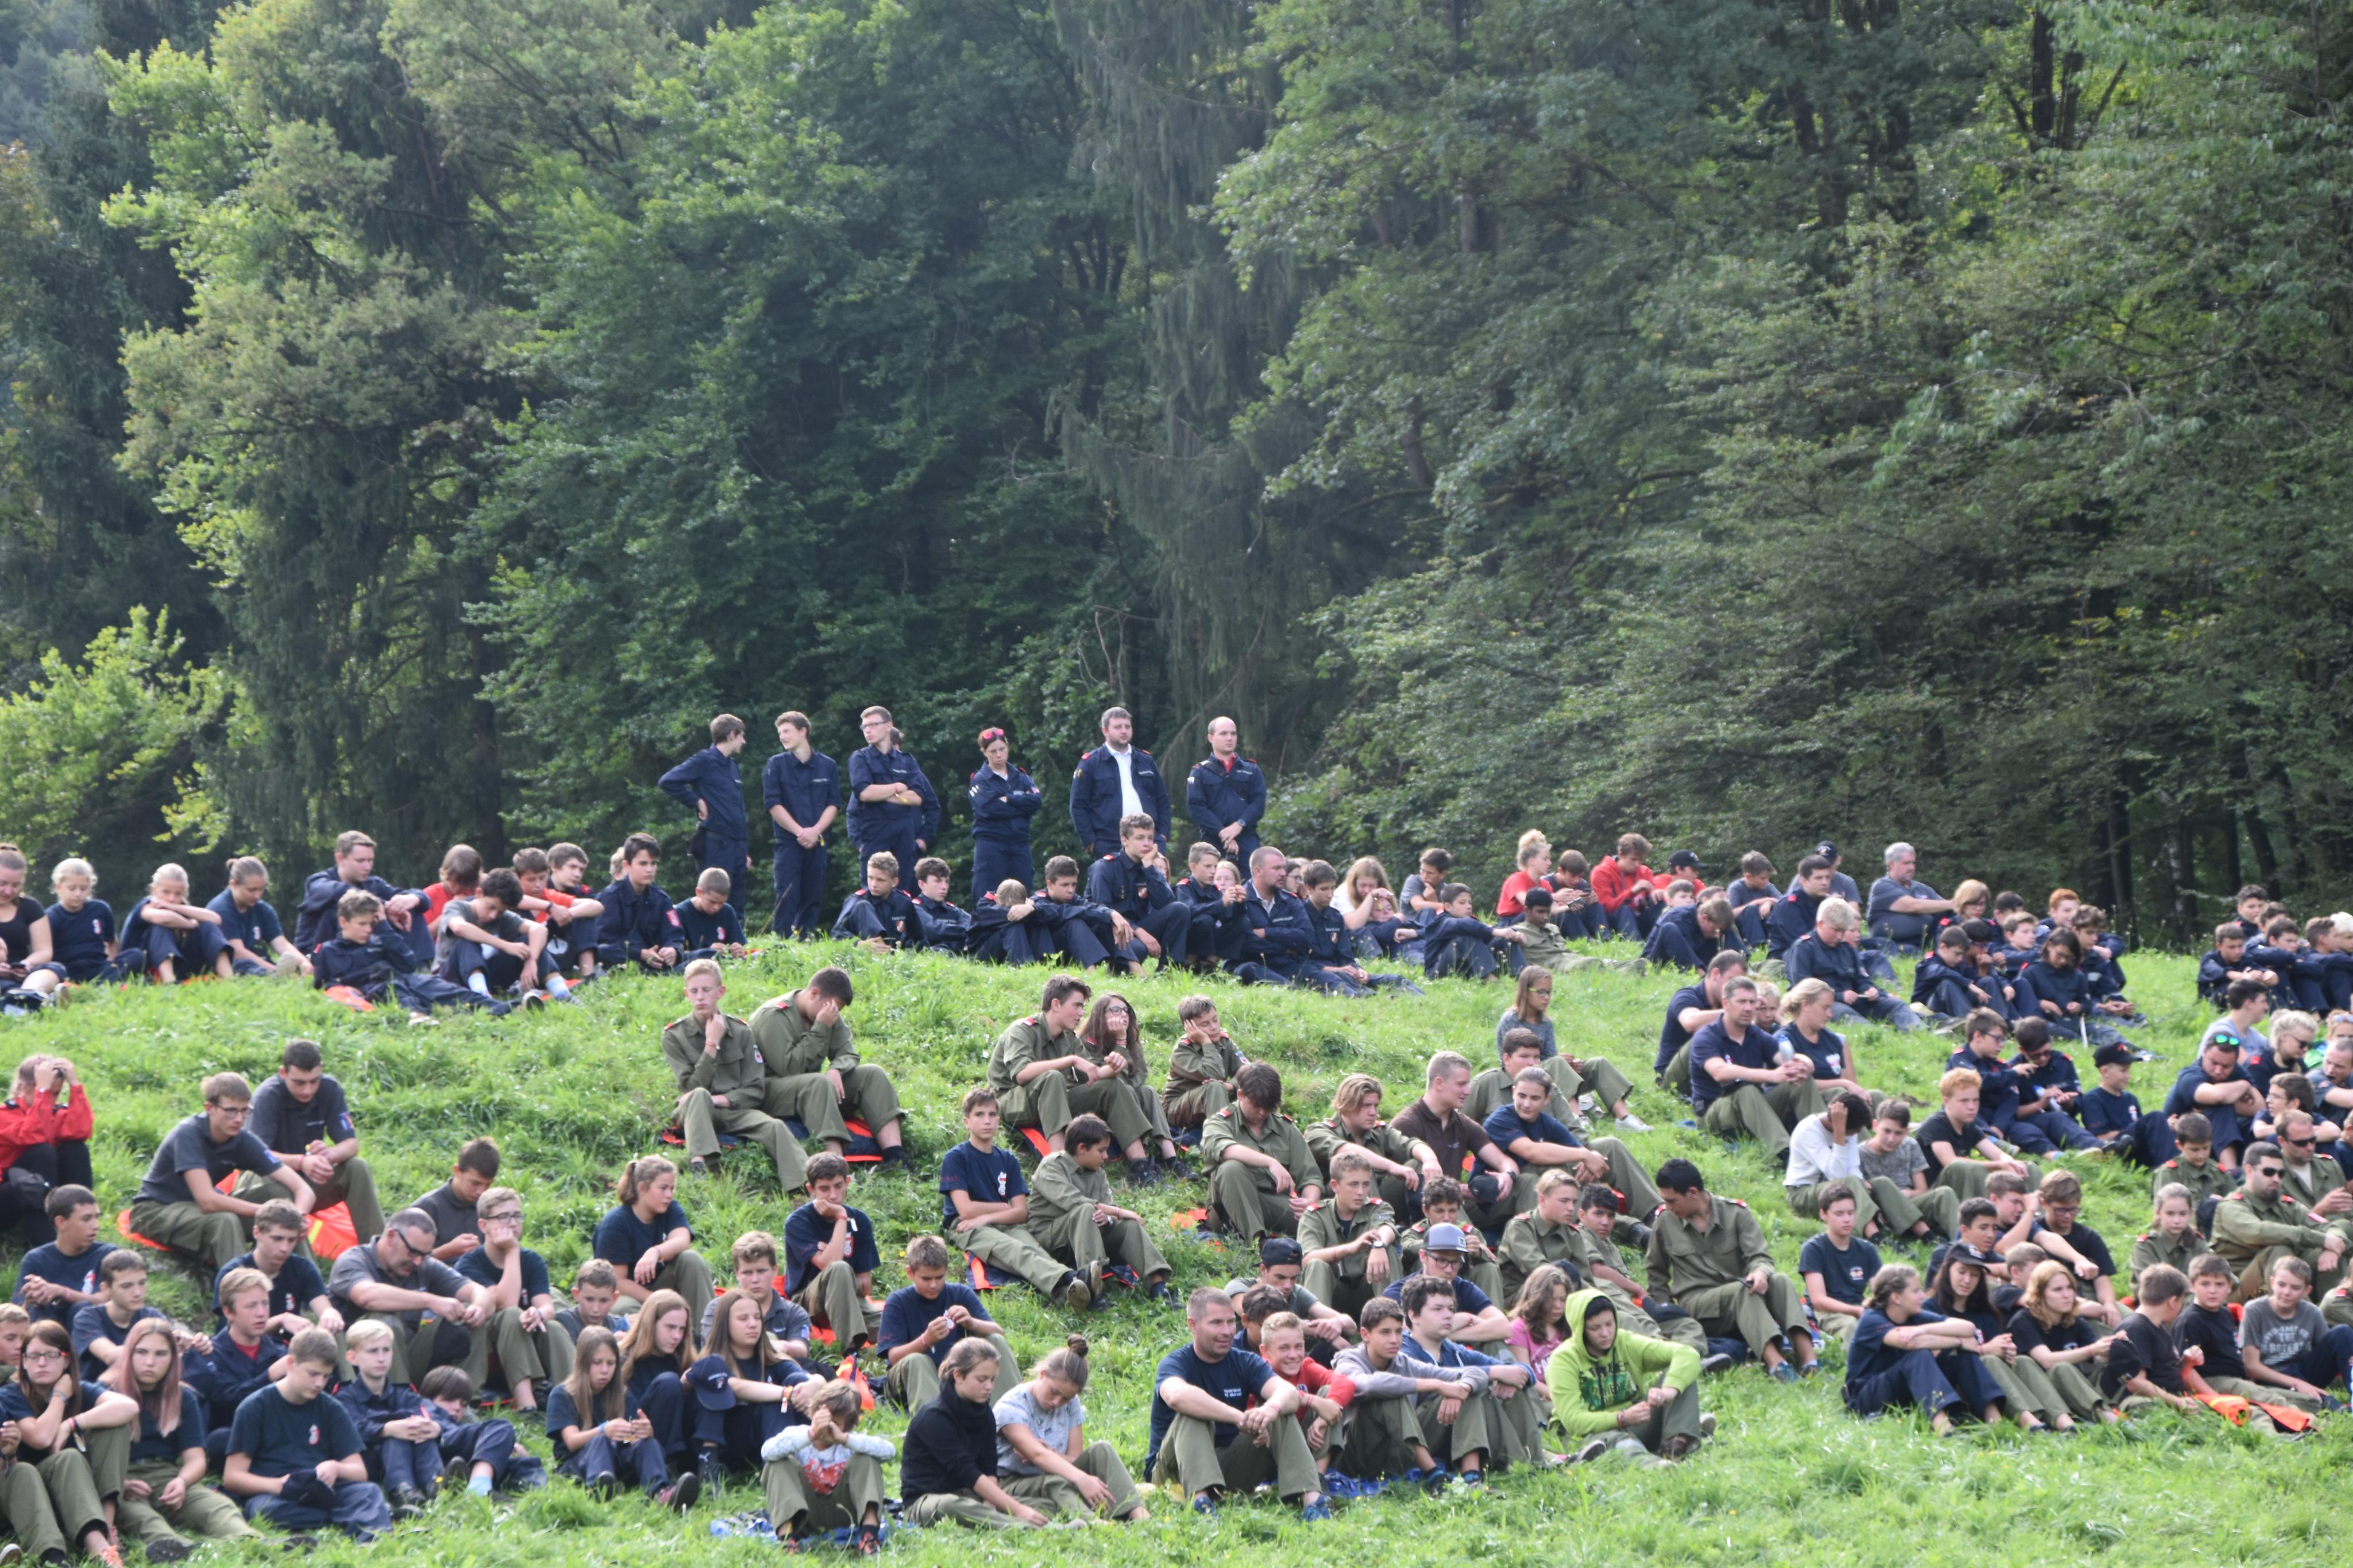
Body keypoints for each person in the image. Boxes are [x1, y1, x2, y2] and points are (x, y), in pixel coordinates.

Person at [1144, 1289, 1327, 1517]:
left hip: (1227, 1465)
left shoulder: (1244, 1361)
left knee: (1280, 1410)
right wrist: (1240, 1419)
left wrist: (1269, 1412)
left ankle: (1313, 1502)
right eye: (1216, 1323)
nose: (1227, 1331)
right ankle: (1202, 1506)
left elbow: (1288, 1393)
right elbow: (1177, 1396)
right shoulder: (1176, 1362)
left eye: (1231, 1322)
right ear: (1193, 1325)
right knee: (1193, 1412)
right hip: (1174, 1471)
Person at [129, 1072, 315, 1276]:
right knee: (225, 1220)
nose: (239, 1119)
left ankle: (310, 1283)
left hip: (197, 1211)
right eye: (231, 1111)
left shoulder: (243, 1140)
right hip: (156, 1211)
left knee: (279, 1194)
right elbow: (207, 1201)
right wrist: (266, 1212)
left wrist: (298, 1217)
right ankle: (244, 1289)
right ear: (210, 1108)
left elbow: (302, 1188)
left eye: (245, 1111)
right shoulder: (188, 1134)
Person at [1646, 1160, 1820, 1380]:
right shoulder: (1665, 1221)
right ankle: (1777, 1365)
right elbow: (1656, 1271)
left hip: (1743, 1300)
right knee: (1742, 1291)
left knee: (1781, 1281)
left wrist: (1760, 1273)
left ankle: (1809, 1361)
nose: (1669, 1206)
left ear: (1693, 1193)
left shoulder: (1736, 1214)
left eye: (1672, 1201)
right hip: (1699, 1305)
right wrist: (1668, 1315)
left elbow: (1759, 1257)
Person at [221, 1328, 393, 1539]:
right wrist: (279, 1485)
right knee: (263, 1510)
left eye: (326, 1376)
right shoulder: (254, 1407)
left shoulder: (332, 1408)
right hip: (276, 1493)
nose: (319, 1383)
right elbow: (233, 1478)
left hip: (324, 1490)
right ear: (290, 1364)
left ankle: (369, 1536)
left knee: (369, 1492)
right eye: (313, 1374)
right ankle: (354, 1516)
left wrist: (336, 1468)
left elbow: (359, 1472)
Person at [109, 1319, 260, 1559]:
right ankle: (177, 1548)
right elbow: (93, 1459)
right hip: (123, 1480)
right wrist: (121, 1483)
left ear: (173, 1358)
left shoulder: (183, 1397)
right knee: (142, 1518)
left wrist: (182, 1482)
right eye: (142, 1352)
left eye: (161, 1354)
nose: (150, 1362)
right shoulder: (107, 1394)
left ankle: (254, 1541)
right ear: (129, 1355)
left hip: (167, 1476)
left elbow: (196, 1459)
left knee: (218, 1506)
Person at [988, 974, 1157, 1179]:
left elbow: (1094, 1074)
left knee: (1112, 1086)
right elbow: (1022, 1074)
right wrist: (1071, 1060)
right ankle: (1062, 1167)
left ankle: (1141, 1167)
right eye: (1076, 1006)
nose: (1081, 1013)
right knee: (1053, 1077)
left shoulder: (1069, 1037)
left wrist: (1114, 1067)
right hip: (1012, 1102)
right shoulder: (1022, 1030)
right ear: (1056, 1005)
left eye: (1082, 1007)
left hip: (1052, 1099)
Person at [940, 1087, 1093, 1308]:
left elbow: (1021, 1212)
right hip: (966, 1226)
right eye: (979, 1115)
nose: (987, 1121)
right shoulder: (956, 1158)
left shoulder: (1008, 1159)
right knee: (1014, 1250)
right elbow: (965, 1210)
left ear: (998, 1120)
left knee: (1035, 1250)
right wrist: (1002, 1208)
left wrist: (988, 1216)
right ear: (967, 1122)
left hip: (1003, 1223)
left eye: (992, 1115)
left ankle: (1073, 1295)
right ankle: (1073, 1278)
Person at [662, 960, 808, 1189]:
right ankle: (703, 1165)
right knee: (699, 1095)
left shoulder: (741, 1032)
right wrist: (711, 1045)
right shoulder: (675, 1036)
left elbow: (755, 1089)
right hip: (694, 1112)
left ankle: (804, 1186)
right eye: (694, 991)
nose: (700, 997)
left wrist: (718, 1100)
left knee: (775, 1126)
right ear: (686, 994)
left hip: (734, 1110)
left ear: (720, 992)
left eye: (706, 990)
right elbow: (690, 1088)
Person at [0, 1320, 137, 1565]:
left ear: (66, 1360)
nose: (42, 1363)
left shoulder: (80, 1389)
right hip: (29, 1493)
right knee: (37, 1467)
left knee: (112, 1428)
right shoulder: (12, 1395)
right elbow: (41, 1438)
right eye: (34, 1356)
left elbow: (128, 1407)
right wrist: (59, 1396)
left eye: (51, 1355)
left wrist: (71, 1424)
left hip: (76, 1491)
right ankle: (55, 1558)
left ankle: (102, 1542)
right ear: (23, 1362)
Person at [748, 965, 910, 1171]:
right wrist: (821, 1028)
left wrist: (836, 1069)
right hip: (771, 1092)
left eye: (838, 1010)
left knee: (872, 1074)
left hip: (812, 1090)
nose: (835, 1014)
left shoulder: (826, 1011)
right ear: (814, 994)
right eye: (833, 1008)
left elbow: (848, 1053)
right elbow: (789, 1068)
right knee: (819, 1082)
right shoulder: (773, 1016)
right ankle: (836, 1166)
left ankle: (895, 1155)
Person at [1329, 1293, 1495, 1482]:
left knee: (1466, 1391)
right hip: (1361, 1455)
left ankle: (1471, 1478)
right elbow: (1366, 1385)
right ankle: (1434, 1477)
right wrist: (1435, 1385)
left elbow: (1476, 1373)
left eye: (1399, 1332)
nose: (1394, 1340)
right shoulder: (1348, 1360)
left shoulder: (1404, 1362)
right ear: (1366, 1335)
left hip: (1401, 1452)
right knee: (1391, 1394)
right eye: (1385, 1332)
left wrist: (1461, 1389)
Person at [242, 1039, 386, 1246]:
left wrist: (328, 1155)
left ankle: (379, 1250)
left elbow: (351, 1144)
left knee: (357, 1167)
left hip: (309, 1183)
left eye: (314, 1081)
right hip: (270, 1183)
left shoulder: (330, 1089)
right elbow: (255, 1155)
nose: (308, 1091)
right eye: (299, 1083)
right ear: (283, 1073)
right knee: (279, 1192)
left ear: (321, 1071)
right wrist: (302, 1162)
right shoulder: (268, 1096)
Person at [1546, 1288, 1711, 1465]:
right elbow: (1574, 1422)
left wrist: (1668, 1392)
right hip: (1586, 1436)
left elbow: (1687, 1354)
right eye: (1595, 1328)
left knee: (1681, 1377)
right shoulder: (1563, 1359)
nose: (1605, 1333)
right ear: (1580, 1329)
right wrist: (1622, 1418)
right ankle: (1654, 1465)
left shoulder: (1624, 1341)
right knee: (1618, 1440)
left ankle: (1675, 1449)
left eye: (1610, 1324)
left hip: (1633, 1422)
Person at [327, 1209, 489, 1388]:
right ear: (391, 1237)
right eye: (413, 1252)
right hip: (355, 1364)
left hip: (406, 1356)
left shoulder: (424, 1266)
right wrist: (431, 1301)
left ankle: (465, 1397)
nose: (418, 1262)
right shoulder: (352, 1260)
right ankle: (398, 1397)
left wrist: (478, 1307)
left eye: (425, 1255)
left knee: (467, 1314)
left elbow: (478, 1291)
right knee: (384, 1322)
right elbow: (366, 1296)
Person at [992, 1338, 1148, 1523]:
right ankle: (1096, 1523)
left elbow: (1075, 1459)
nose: (1057, 1402)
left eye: (1066, 1398)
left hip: (1059, 1475)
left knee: (1102, 1449)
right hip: (1013, 1482)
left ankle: (1141, 1516)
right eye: (1054, 1392)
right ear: (1042, 1375)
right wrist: (1082, 1479)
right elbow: (1036, 1455)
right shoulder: (1012, 1406)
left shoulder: (1072, 1403)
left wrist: (1053, 1454)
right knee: (1055, 1483)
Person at [1029, 1114, 1176, 1306]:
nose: (1106, 1157)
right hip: (1050, 1240)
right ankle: (1092, 1288)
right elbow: (1073, 1202)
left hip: (1088, 1238)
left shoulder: (1098, 1173)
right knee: (1085, 1210)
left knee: (1129, 1226)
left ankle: (1158, 1287)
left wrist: (1108, 1219)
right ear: (1082, 1148)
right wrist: (1118, 1212)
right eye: (1101, 1150)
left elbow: (1109, 1211)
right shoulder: (1052, 1166)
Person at [1841, 1265, 2006, 1432]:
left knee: (1962, 1356)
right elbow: (1910, 1343)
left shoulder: (1915, 1316)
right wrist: (1959, 1342)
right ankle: (1945, 1430)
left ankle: (1997, 1424)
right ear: (1896, 1297)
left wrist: (1922, 1329)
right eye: (1916, 1291)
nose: (1922, 1296)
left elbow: (1968, 1328)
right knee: (1920, 1355)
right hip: (1866, 1398)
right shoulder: (1871, 1319)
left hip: (1904, 1390)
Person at [450, 1186, 570, 1411]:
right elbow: (506, 1303)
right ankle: (527, 1406)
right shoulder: (469, 1264)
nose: (513, 1224)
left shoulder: (532, 1261)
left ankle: (575, 1396)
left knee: (552, 1326)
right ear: (483, 1226)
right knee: (512, 1314)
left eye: (517, 1216)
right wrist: (512, 1252)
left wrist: (538, 1314)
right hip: (488, 1352)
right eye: (504, 1217)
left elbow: (547, 1307)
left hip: (526, 1348)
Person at [900, 1339, 1040, 1528]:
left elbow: (989, 1466)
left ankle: (1007, 1517)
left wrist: (991, 1502)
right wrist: (1018, 1510)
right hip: (927, 1500)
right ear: (958, 1376)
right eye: (982, 1380)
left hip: (969, 1493)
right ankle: (1025, 1526)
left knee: (1039, 1503)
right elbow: (966, 1471)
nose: (989, 1387)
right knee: (951, 1505)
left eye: (992, 1380)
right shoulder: (934, 1417)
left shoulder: (985, 1413)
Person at [1688, 978, 1824, 1163]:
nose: (1748, 1008)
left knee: (1800, 1081)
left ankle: (1821, 1145)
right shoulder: (1706, 1036)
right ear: (1726, 1003)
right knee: (1745, 1089)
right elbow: (1720, 1072)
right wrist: (1771, 1075)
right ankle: (1786, 1154)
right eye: (1742, 1002)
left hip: (1754, 1111)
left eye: (1752, 1002)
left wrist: (1804, 1065)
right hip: (1715, 1115)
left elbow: (1785, 1058)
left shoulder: (1757, 1035)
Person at [684, 1288, 808, 1489]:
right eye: (743, 1319)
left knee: (795, 1382)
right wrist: (787, 1393)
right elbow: (736, 1386)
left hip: (762, 1439)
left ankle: (787, 1464)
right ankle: (709, 1467)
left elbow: (810, 1380)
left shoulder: (773, 1359)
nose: (753, 1324)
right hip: (728, 1442)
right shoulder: (711, 1363)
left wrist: (814, 1384)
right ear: (725, 1324)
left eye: (757, 1318)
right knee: (719, 1385)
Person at [1496, 969, 1649, 1131]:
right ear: (1525, 991)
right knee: (1557, 1063)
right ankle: (1577, 1118)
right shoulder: (1511, 1020)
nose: (1547, 997)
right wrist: (1558, 1062)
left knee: (1598, 1064)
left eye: (1549, 992)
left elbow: (1550, 1057)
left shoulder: (1546, 1023)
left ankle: (1624, 1118)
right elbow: (1512, 1061)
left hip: (1547, 1075)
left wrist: (1569, 1065)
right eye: (1541, 992)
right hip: (1520, 1079)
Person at [879, 1234, 1018, 1411]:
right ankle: (934, 1420)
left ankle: (1010, 1412)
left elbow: (998, 1332)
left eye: (939, 1277)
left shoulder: (960, 1293)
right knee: (917, 1360)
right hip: (910, 1379)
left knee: (995, 1340)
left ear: (947, 1271)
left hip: (956, 1373)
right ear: (910, 1273)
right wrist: (926, 1340)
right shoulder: (898, 1302)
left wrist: (971, 1323)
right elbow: (894, 1357)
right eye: (926, 1279)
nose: (934, 1285)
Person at [1788, 1092, 1949, 1243]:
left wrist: (1863, 1183)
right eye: (1851, 1133)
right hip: (1803, 1194)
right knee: (1851, 1181)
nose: (1852, 1137)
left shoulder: (1848, 1127)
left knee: (1881, 1182)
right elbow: (1836, 1174)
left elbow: (1853, 1167)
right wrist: (1840, 1133)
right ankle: (1877, 1239)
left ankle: (1927, 1235)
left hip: (1835, 1187)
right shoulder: (1809, 1131)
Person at [757, 1376, 892, 1550]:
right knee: (778, 1463)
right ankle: (787, 1541)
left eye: (836, 1423)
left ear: (847, 1426)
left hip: (845, 1513)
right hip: (804, 1515)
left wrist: (845, 1439)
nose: (827, 1427)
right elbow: (767, 1452)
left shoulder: (851, 1442)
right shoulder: (797, 1435)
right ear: (814, 1413)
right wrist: (811, 1435)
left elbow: (890, 1452)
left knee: (866, 1459)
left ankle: (869, 1537)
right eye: (824, 1419)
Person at [546, 1325, 678, 1504]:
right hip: (577, 1464)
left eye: (611, 1363)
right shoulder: (563, 1394)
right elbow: (572, 1442)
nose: (605, 1370)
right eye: (597, 1363)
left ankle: (661, 1492)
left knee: (648, 1443)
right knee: (600, 1441)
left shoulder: (622, 1394)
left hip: (618, 1459)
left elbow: (629, 1440)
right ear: (583, 1362)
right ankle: (600, 1488)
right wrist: (603, 1430)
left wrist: (643, 1433)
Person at [334, 1318, 447, 1516]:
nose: (381, 1358)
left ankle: (435, 1482)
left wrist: (433, 1428)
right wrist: (387, 1429)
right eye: (373, 1351)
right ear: (352, 1358)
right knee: (396, 1435)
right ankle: (402, 1490)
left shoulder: (404, 1393)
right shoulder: (345, 1396)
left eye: (386, 1350)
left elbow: (427, 1414)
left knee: (419, 1431)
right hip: (369, 1461)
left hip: (412, 1454)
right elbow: (352, 1429)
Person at [1203, 1064, 1324, 1243]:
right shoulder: (1220, 1123)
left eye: (1269, 1107)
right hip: (1227, 1208)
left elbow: (1311, 1176)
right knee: (1231, 1168)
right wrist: (1271, 1162)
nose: (1262, 1113)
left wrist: (1309, 1202)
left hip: (1271, 1203)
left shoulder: (1285, 1129)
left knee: (1320, 1223)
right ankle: (1259, 1242)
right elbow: (1225, 1148)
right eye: (1257, 1106)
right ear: (1241, 1095)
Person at [592, 1157, 716, 1333]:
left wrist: (655, 1252)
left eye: (672, 1188)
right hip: (628, 1293)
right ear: (643, 1188)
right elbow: (617, 1282)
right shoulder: (615, 1224)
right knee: (623, 1308)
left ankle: (705, 1335)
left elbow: (683, 1240)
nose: (669, 1195)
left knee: (691, 1259)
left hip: (663, 1283)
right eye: (663, 1188)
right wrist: (658, 1300)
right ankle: (653, 1342)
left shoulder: (671, 1209)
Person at [2212, 1142, 2344, 1299]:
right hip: (2237, 1288)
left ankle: (2333, 1310)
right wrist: (2321, 1239)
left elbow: (2328, 1226)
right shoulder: (2231, 1206)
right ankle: (2302, 1313)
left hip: (2279, 1282)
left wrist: (2332, 1248)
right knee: (2279, 1250)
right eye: (2269, 1172)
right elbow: (2257, 1232)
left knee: (2331, 1253)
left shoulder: (2286, 1205)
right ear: (2249, 1171)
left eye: (2281, 1174)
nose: (2276, 1179)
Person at [1077, 992, 1189, 1176]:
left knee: (1147, 1091)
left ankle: (1170, 1157)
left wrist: (1123, 1042)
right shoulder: (1086, 1042)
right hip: (1097, 1106)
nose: (1123, 1015)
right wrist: (1120, 1043)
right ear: (1100, 1015)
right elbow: (1106, 1081)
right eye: (1115, 1010)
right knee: (1125, 1088)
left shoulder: (1131, 1041)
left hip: (1125, 1101)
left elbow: (1140, 1076)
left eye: (1126, 1010)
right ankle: (1140, 1164)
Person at [1305, 1073, 1436, 1223]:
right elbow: (1346, 1150)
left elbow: (1410, 1145)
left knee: (1418, 1164)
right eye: (1366, 1106)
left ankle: (1431, 1227)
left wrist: (1431, 1160)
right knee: (1360, 1167)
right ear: (1347, 1104)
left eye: (1376, 1106)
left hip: (1377, 1205)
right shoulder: (1318, 1132)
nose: (1373, 1112)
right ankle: (1378, 1227)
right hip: (1336, 1210)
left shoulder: (1379, 1131)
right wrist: (1391, 1166)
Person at [658, 714, 753, 920]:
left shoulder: (733, 766)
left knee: (737, 898)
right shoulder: (704, 760)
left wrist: (743, 849)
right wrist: (696, 801)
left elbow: (737, 808)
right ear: (732, 735)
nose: (744, 742)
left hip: (737, 843)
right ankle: (707, 937)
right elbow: (668, 781)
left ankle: (736, 937)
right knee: (714, 894)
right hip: (716, 841)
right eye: (741, 736)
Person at [782, 1154, 881, 1349]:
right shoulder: (798, 1222)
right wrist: (841, 1217)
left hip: (850, 1300)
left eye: (838, 1186)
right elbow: (831, 1265)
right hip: (808, 1301)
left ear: (848, 1182)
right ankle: (851, 1348)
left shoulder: (860, 1221)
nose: (833, 1196)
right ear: (811, 1189)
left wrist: (842, 1285)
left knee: (895, 1326)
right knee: (839, 1269)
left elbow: (866, 1286)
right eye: (825, 1189)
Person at [0, 1057, 96, 1253]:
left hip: (37, 1190)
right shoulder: (4, 1116)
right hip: (7, 1198)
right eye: (47, 1094)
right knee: (42, 1152)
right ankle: (49, 1247)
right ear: (25, 1088)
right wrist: (42, 1091)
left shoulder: (53, 1113)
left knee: (75, 1149)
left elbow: (81, 1131)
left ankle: (81, 1222)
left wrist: (75, 1085)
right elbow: (33, 1134)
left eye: (57, 1094)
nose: (52, 1101)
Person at [291, 830, 427, 963]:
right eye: (361, 861)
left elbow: (422, 898)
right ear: (340, 859)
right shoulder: (317, 883)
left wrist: (414, 898)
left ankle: (420, 965)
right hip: (317, 953)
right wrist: (384, 906)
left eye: (370, 861)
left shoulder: (373, 884)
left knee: (408, 907)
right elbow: (342, 893)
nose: (367, 867)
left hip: (364, 951)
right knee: (342, 908)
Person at [761, 710, 841, 939]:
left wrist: (816, 831)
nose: (782, 737)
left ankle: (805, 938)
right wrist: (801, 832)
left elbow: (834, 803)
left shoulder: (827, 765)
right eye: (780, 733)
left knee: (813, 894)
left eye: (787, 731)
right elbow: (773, 805)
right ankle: (781, 942)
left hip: (818, 839)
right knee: (787, 892)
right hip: (789, 840)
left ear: (803, 731)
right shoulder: (775, 765)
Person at [1296, 1149, 1399, 1323]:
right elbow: (1307, 1259)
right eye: (1354, 1185)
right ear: (1335, 1186)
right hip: (1333, 1299)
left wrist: (1379, 1245)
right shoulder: (1315, 1215)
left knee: (1387, 1251)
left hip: (1369, 1292)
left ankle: (1391, 1324)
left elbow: (1387, 1228)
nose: (1361, 1192)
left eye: (1366, 1185)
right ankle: (1320, 1331)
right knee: (1316, 1265)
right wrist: (1350, 1249)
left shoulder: (1377, 1208)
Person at [1785, 898, 1919, 1032]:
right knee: (1844, 1013)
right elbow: (1802, 990)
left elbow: (1861, 978)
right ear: (1821, 924)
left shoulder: (1848, 949)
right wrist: (1839, 996)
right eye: (1836, 930)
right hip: (1823, 1004)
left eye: (1843, 931)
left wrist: (1869, 989)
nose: (1840, 936)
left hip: (1856, 1000)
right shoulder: (1803, 949)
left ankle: (1919, 1030)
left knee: (1895, 1005)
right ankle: (1878, 1034)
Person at [846, 706, 939, 893]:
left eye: (873, 725)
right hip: (875, 830)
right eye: (865, 727)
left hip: (904, 832)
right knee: (874, 891)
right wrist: (897, 788)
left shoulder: (907, 760)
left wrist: (881, 794)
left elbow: (917, 798)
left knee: (903, 892)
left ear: (889, 726)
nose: (868, 730)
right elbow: (865, 793)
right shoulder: (860, 758)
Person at [1085, 813, 1193, 972]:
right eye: (1140, 838)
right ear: (1124, 840)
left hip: (1137, 927)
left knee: (1180, 910)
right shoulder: (1105, 868)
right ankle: (1116, 969)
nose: (1147, 844)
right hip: (1110, 930)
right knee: (1139, 950)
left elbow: (1167, 903)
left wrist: (1149, 867)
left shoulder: (1147, 867)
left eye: (1151, 838)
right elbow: (1103, 911)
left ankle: (1169, 971)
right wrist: (1139, 931)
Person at [615, 1293, 699, 1490]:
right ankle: (667, 1468)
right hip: (637, 1445)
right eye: (670, 1327)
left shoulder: (684, 1360)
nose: (677, 1336)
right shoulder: (623, 1361)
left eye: (682, 1329)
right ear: (650, 1324)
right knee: (669, 1383)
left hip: (684, 1446)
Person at [2096, 1265, 2204, 1415]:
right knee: (2155, 1410)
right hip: (2140, 1400)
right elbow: (2135, 1383)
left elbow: (2167, 1374)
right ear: (2173, 1301)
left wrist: (2188, 1362)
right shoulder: (2136, 1328)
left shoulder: (2160, 1327)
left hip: (2172, 1397)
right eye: (2181, 1302)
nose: (2181, 1307)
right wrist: (2177, 1402)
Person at [1914, 1068, 2032, 1203]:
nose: (1972, 1107)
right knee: (1962, 1167)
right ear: (1947, 1102)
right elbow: (1951, 1161)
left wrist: (2010, 1162)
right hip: (1934, 1196)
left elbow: (1997, 1154)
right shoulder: (1935, 1125)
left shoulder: (1968, 1125)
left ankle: (2033, 1213)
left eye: (1976, 1100)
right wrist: (1999, 1165)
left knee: (2027, 1168)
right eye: (1964, 1101)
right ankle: (1981, 1214)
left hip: (1960, 1187)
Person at [1068, 706, 1171, 860]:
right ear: (1105, 731)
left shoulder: (1146, 760)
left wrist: (1162, 835)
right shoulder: (1091, 763)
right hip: (1109, 842)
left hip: (1149, 841)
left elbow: (1162, 800)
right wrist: (1091, 841)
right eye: (1118, 727)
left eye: (1127, 727)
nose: (1124, 731)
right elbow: (1078, 805)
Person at [2162, 1019, 2266, 1169]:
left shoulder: (2237, 1072)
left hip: (2215, 1138)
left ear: (2235, 1063)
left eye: (2226, 1066)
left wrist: (2231, 1097)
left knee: (2254, 1123)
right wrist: (2244, 1086)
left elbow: (2260, 1107)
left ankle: (2254, 1167)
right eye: (2214, 1063)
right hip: (2183, 1140)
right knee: (2220, 1107)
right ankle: (2231, 1171)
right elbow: (2217, 1097)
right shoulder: (2190, 1076)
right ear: (2204, 1052)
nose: (2218, 1071)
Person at [696, 1234, 812, 1365]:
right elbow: (713, 1349)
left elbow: (802, 1349)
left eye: (761, 1271)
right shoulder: (717, 1308)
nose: (755, 1280)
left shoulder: (794, 1312)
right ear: (737, 1273)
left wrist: (784, 1347)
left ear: (775, 1270)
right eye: (747, 1273)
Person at [15, 1184, 112, 1327]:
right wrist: (32, 1298)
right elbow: (18, 1315)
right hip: (47, 1335)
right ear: (61, 1222)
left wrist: (61, 1292)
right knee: (37, 1309)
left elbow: (110, 1302)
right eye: (86, 1219)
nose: (96, 1225)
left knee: (83, 1308)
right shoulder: (35, 1260)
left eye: (96, 1217)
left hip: (92, 1334)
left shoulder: (107, 1255)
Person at [117, 864, 232, 984]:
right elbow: (164, 919)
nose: (171, 898)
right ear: (154, 890)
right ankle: (169, 982)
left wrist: (175, 907)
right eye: (166, 892)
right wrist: (189, 924)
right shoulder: (146, 906)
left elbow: (216, 919)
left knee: (207, 926)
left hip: (181, 966)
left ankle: (228, 977)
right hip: (144, 967)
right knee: (161, 927)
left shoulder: (178, 908)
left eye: (178, 894)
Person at [966, 727, 1044, 903]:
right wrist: (1022, 806)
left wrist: (1008, 798)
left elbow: (1036, 802)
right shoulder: (980, 780)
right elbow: (989, 809)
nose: (999, 755)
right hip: (992, 845)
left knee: (1022, 897)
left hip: (1020, 844)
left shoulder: (1021, 777)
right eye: (993, 751)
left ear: (1008, 747)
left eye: (1002, 749)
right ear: (984, 752)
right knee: (988, 898)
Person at [1797, 1186, 1881, 1340]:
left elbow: (1881, 1292)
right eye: (1839, 1214)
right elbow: (1819, 1301)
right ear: (1824, 1214)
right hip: (1826, 1313)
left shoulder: (1867, 1249)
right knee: (1852, 1327)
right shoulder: (1814, 1249)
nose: (1847, 1219)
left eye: (1851, 1213)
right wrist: (1855, 1311)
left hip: (1860, 1308)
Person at [595, 833, 682, 973]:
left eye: (654, 863)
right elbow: (605, 941)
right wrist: (641, 954)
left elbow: (675, 934)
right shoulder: (610, 897)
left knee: (706, 954)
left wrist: (673, 949)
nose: (649, 870)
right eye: (643, 864)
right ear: (627, 866)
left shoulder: (662, 899)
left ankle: (659, 973)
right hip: (627, 959)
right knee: (602, 951)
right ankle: (646, 973)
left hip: (658, 961)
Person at [511, 846, 603, 980]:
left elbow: (596, 906)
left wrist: (567, 914)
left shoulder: (550, 894)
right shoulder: (510, 897)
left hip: (554, 949)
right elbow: (512, 900)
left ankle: (588, 975)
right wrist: (550, 907)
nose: (538, 885)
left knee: (584, 915)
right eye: (531, 880)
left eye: (542, 878)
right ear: (517, 878)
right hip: (521, 954)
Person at [1657, 949, 1747, 1086]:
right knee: (1706, 1035)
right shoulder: (1686, 996)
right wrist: (1734, 1012)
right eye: (1732, 982)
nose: (1736, 991)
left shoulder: (1726, 1004)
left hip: (1710, 1075)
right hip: (1675, 1078)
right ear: (1716, 974)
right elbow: (1690, 1022)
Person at [209, 858, 307, 978]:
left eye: (261, 889)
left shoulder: (263, 910)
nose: (258, 895)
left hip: (255, 959)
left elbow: (281, 943)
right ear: (234, 885)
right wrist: (274, 970)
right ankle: (276, 976)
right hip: (233, 962)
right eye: (252, 890)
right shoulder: (221, 909)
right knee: (244, 966)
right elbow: (237, 952)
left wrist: (303, 962)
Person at [1163, 994, 1248, 1131]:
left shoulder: (1225, 1042)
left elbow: (1248, 1071)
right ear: (1189, 1028)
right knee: (1215, 1087)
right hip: (1178, 1108)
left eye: (1215, 1020)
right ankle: (1223, 1138)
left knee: (1258, 1079)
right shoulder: (1182, 1051)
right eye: (1205, 1024)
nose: (1214, 1027)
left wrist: (1232, 1086)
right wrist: (1205, 1042)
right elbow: (1214, 1074)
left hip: (1214, 1100)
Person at [410, 1138, 502, 1260]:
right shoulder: (426, 1209)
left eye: (488, 1185)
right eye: (475, 1183)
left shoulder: (489, 1208)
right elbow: (406, 1262)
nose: (481, 1192)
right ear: (457, 1171)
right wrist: (448, 1251)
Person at [40, 858, 117, 987]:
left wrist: (111, 963)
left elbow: (112, 941)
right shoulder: (50, 917)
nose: (78, 894)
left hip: (98, 966)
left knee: (136, 956)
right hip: (68, 970)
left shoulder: (101, 909)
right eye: (72, 889)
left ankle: (104, 980)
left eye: (83, 889)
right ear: (59, 887)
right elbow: (44, 951)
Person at [1864, 843, 1953, 952]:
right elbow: (1913, 906)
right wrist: (1954, 903)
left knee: (1953, 915)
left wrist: (1959, 906)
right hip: (1894, 945)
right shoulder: (1882, 886)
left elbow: (1946, 907)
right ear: (1891, 865)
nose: (1912, 868)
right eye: (1906, 863)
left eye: (1913, 863)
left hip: (1927, 942)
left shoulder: (1923, 888)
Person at [831, 852, 917, 949]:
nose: (874, 884)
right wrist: (859, 944)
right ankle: (880, 949)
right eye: (870, 878)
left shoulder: (904, 902)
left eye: (880, 880)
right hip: (864, 954)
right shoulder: (857, 901)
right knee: (863, 906)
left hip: (897, 954)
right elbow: (836, 935)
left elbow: (919, 939)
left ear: (894, 882)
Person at [676, 870, 750, 960]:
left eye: (721, 903)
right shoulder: (680, 913)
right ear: (699, 893)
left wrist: (738, 950)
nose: (717, 908)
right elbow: (677, 955)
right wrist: (708, 952)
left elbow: (739, 945)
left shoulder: (727, 911)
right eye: (712, 902)